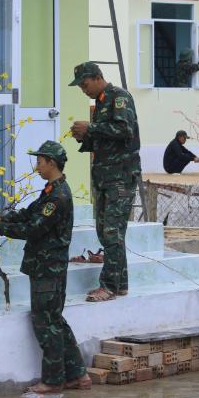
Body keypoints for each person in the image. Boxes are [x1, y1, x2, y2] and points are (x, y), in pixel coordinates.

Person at [0, 141, 90, 394]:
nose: (37, 166)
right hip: (46, 265)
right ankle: (77, 375)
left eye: (39, 161)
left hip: (47, 267)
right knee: (55, 319)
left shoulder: (57, 197)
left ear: (51, 162)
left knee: (45, 322)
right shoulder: (51, 191)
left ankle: (53, 380)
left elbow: (33, 228)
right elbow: (29, 214)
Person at [69, 62, 141, 302]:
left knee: (112, 232)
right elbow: (106, 139)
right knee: (106, 232)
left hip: (120, 177)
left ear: (97, 77)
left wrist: (91, 128)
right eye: (80, 87)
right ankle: (121, 284)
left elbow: (124, 130)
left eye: (85, 84)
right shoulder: (101, 101)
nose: (83, 90)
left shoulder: (119, 97)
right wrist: (84, 136)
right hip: (104, 177)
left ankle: (108, 286)